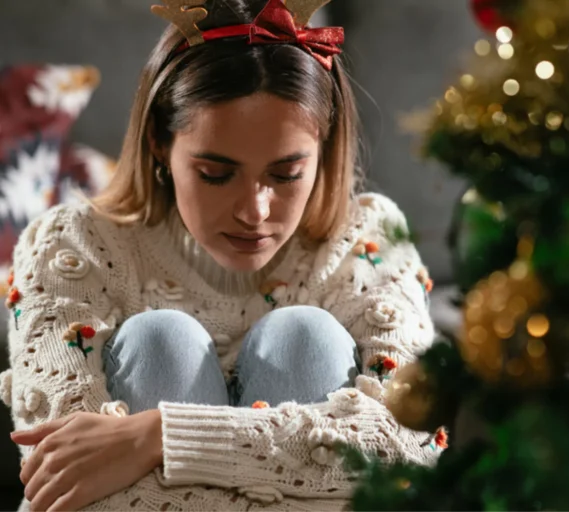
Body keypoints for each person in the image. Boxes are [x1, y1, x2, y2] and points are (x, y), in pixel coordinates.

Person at [0, 0, 441, 510]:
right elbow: (66, 473)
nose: (254, 212)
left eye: (285, 175)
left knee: (304, 337)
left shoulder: (368, 236)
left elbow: (413, 445)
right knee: (160, 340)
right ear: (159, 146)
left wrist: (162, 436)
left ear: (325, 149)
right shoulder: (70, 244)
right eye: (216, 173)